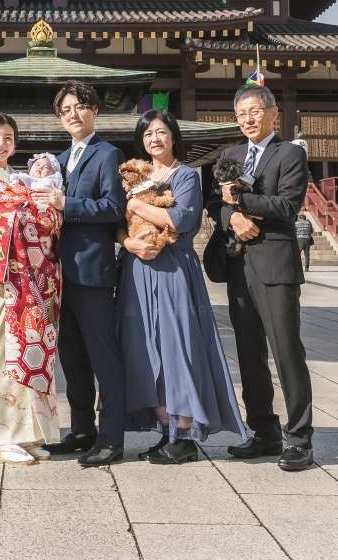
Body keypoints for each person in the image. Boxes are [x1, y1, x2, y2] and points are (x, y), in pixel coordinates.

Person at [117, 110, 247, 464]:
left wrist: (136, 204)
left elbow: (181, 218)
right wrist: (129, 242)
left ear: (174, 137)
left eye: (161, 132)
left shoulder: (187, 175)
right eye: (148, 134)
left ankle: (186, 432)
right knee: (148, 347)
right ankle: (165, 430)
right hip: (138, 269)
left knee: (179, 348)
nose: (154, 139)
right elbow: (119, 223)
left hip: (174, 269)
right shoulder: (137, 176)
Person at [216, 84, 314, 472]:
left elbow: (288, 204)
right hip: (240, 266)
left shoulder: (289, 153)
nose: (248, 120)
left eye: (255, 111)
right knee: (249, 354)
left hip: (276, 264)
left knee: (287, 351)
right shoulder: (231, 155)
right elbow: (214, 204)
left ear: (273, 113)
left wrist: (240, 202)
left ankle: (300, 438)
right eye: (241, 114)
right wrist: (232, 218)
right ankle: (264, 430)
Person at [35, 81, 127, 468]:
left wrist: (66, 203)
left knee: (103, 357)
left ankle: (112, 438)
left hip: (93, 270)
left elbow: (112, 207)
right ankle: (82, 429)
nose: (74, 114)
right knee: (72, 358)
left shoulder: (108, 154)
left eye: (81, 106)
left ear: (96, 111)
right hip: (60, 273)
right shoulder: (56, 160)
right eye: (66, 109)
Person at [0, 113, 62, 465]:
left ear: (15, 145)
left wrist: (38, 210)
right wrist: (32, 209)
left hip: (33, 283)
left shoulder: (19, 183)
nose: (1, 144)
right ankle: (0, 435)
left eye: (7, 138)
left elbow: (50, 220)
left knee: (33, 355)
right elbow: (0, 221)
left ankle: (30, 433)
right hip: (5, 281)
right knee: (4, 354)